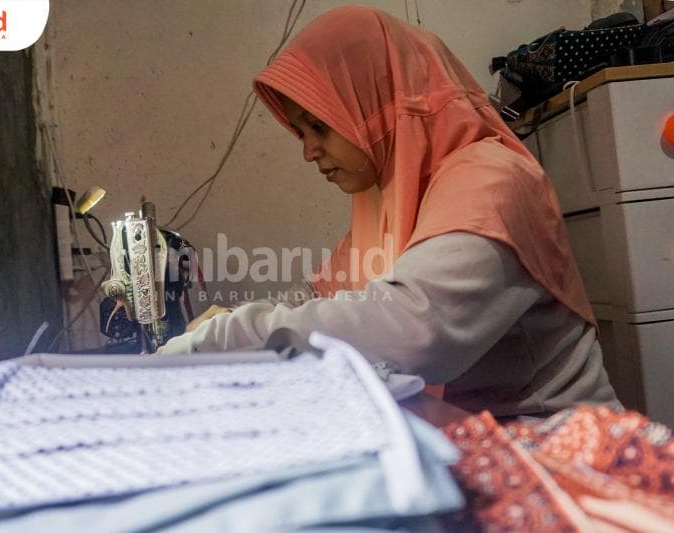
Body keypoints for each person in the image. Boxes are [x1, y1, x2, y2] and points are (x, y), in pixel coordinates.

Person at [160, 5, 618, 417]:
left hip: (553, 444)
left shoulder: (494, 182)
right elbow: (319, 296)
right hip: (474, 438)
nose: (310, 151)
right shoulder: (391, 196)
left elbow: (414, 330)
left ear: (375, 105)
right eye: (301, 133)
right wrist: (231, 319)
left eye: (319, 126)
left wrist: (226, 337)